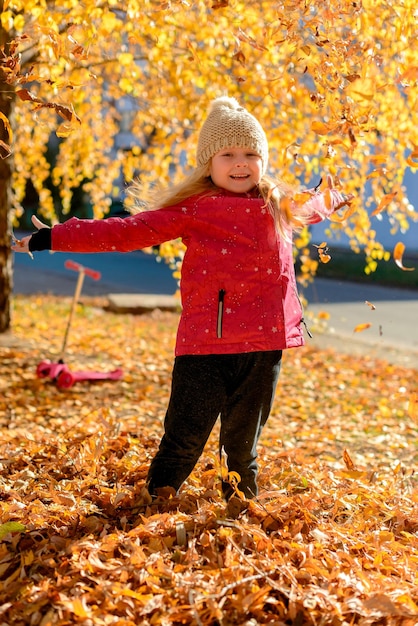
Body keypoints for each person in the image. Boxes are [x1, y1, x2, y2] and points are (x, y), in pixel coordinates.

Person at [13, 96, 352, 502]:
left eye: (250, 153)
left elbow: (317, 203)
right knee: (184, 439)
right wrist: (56, 236)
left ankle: (240, 514)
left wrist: (334, 196)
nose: (240, 163)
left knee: (242, 449)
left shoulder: (278, 204)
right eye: (228, 154)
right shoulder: (195, 209)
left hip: (264, 347)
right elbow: (126, 232)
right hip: (206, 345)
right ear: (208, 162)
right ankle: (155, 504)